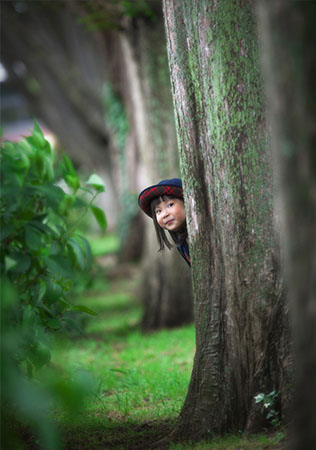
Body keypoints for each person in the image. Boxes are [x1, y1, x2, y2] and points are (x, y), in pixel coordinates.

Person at [138, 178, 190, 267]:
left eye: (170, 205)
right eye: (158, 211)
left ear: (186, 203)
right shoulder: (182, 243)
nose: (164, 214)